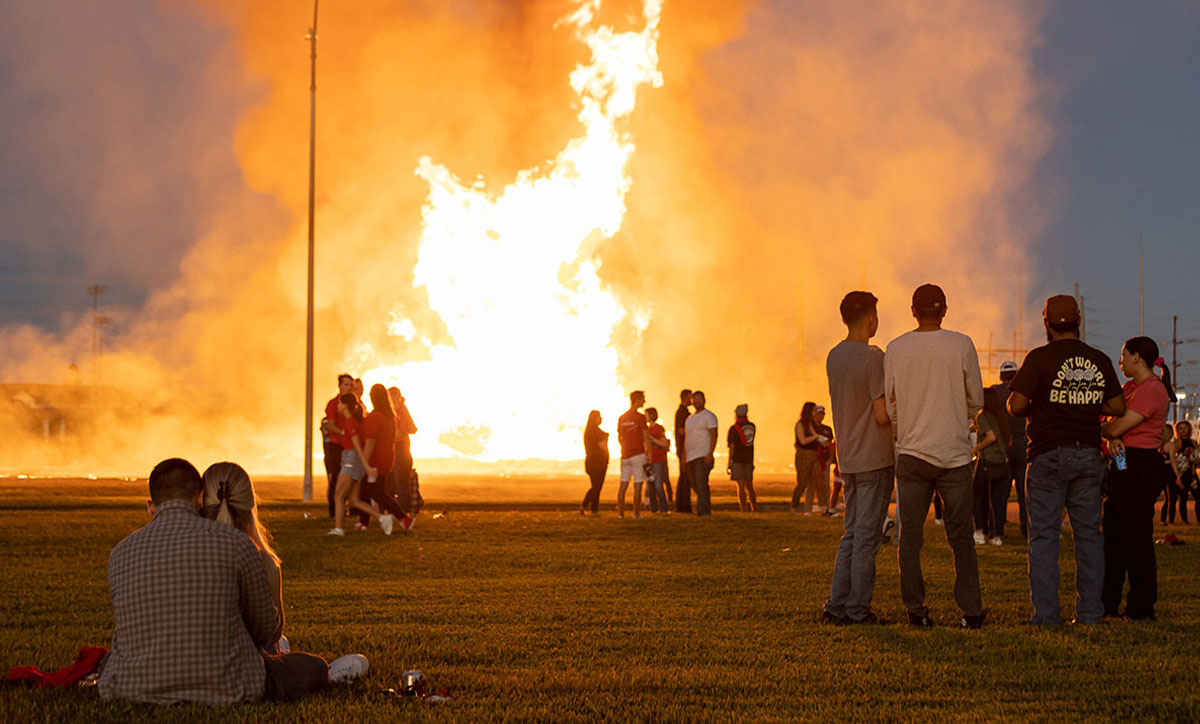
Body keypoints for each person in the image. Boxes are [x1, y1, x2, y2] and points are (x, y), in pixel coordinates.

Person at [99, 458, 367, 705]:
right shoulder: (238, 544)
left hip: (132, 687)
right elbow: (264, 631)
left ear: (151, 504)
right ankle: (329, 671)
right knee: (312, 666)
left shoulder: (120, 551)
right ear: (200, 498)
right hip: (228, 685)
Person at [1007, 295, 1125, 625]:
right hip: (1088, 455)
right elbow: (1117, 407)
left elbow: (1015, 406)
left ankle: (1045, 616)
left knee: (1044, 537)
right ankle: (1089, 614)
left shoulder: (1039, 358)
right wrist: (1086, 405)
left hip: (1047, 455)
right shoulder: (1098, 359)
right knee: (1089, 536)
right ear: (1079, 320)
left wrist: (1043, 404)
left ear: (1046, 323)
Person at [885, 283, 985, 628]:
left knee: (910, 537)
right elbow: (976, 399)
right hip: (954, 453)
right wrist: (959, 415)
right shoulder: (962, 344)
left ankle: (916, 610)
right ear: (944, 310)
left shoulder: (896, 348)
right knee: (961, 538)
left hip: (912, 452)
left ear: (913, 310)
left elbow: (889, 401)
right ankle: (971, 611)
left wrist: (906, 426)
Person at [822, 291, 895, 625]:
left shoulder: (833, 356)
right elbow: (881, 414)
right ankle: (857, 611)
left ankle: (836, 606)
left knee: (850, 534)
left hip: (847, 457)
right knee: (867, 538)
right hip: (874, 457)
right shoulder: (873, 357)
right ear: (870, 317)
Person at [1101, 336, 1175, 621]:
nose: (1120, 361)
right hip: (1123, 464)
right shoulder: (1130, 387)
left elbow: (1116, 425)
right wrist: (1109, 437)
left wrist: (1111, 433)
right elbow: (1104, 423)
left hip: (1140, 465)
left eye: (1123, 355)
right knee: (1113, 537)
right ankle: (1108, 604)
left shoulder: (1152, 389)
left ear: (1136, 358)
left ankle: (1141, 607)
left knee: (1136, 539)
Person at [201, 462, 286, 653]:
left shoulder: (181, 551)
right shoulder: (264, 562)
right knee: (313, 666)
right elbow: (273, 634)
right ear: (250, 506)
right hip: (247, 667)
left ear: (201, 500)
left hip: (190, 662)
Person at [350, 384, 413, 535]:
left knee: (377, 493)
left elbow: (370, 442)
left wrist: (363, 463)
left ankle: (403, 518)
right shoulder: (389, 416)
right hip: (386, 458)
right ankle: (363, 522)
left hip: (375, 461)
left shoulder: (375, 417)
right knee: (366, 491)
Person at [991, 360, 1030, 539]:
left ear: (1000, 376)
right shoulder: (1024, 392)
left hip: (1001, 449)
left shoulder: (993, 392)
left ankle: (997, 531)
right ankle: (1026, 530)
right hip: (1023, 446)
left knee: (1000, 493)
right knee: (1024, 493)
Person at [972, 389, 1011, 545]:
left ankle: (980, 532)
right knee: (997, 500)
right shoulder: (1000, 417)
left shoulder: (981, 416)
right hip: (1001, 462)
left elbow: (991, 437)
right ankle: (997, 536)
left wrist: (975, 448)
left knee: (975, 495)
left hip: (987, 460)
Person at [326, 394, 369, 536]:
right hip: (349, 458)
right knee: (354, 500)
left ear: (345, 406)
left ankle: (338, 528)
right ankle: (383, 518)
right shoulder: (350, 422)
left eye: (339, 404)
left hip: (350, 460)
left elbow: (357, 447)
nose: (337, 406)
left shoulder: (350, 423)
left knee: (338, 496)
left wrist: (366, 466)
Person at [321, 374, 354, 517]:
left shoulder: (355, 403)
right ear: (340, 386)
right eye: (346, 385)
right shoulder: (333, 404)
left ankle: (348, 507)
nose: (349, 388)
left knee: (349, 478)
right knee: (335, 478)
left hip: (348, 445)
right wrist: (344, 432)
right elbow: (331, 425)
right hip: (336, 445)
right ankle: (334, 511)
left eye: (350, 385)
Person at [616, 391, 651, 519]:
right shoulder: (640, 418)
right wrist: (649, 454)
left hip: (625, 455)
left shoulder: (622, 418)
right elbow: (646, 437)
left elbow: (620, 437)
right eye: (643, 399)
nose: (644, 402)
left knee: (623, 485)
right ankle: (636, 513)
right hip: (638, 454)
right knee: (638, 485)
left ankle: (620, 513)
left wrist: (624, 448)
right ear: (638, 400)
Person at [791, 402, 830, 514]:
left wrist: (823, 442)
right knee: (802, 482)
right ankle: (793, 507)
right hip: (804, 455)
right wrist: (816, 437)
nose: (815, 412)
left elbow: (818, 439)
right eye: (813, 410)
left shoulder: (810, 424)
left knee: (820, 480)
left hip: (815, 454)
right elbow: (802, 440)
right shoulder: (800, 424)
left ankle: (824, 508)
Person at [684, 391, 718, 515]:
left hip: (702, 455)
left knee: (701, 482)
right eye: (695, 399)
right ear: (692, 401)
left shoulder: (709, 416)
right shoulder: (689, 419)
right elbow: (687, 438)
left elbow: (714, 435)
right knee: (694, 484)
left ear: (704, 400)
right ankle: (704, 506)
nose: (697, 401)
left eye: (699, 399)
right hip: (690, 457)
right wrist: (684, 457)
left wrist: (710, 453)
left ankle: (703, 511)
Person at [387, 386, 418, 502]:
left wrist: (401, 432)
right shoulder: (392, 411)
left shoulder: (401, 410)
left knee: (400, 482)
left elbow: (412, 429)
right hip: (397, 448)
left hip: (401, 448)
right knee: (394, 483)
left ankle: (403, 512)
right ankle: (398, 511)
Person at [1164, 420, 1196, 523]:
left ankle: (1186, 520)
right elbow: (1172, 458)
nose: (1183, 431)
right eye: (1180, 428)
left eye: (1185, 428)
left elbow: (1195, 458)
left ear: (1189, 429)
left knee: (1184, 499)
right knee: (1172, 500)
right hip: (1176, 474)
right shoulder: (1176, 443)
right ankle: (1170, 521)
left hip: (1188, 475)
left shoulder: (1193, 443)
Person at [727, 403, 757, 512]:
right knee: (749, 485)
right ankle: (754, 508)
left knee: (740, 486)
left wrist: (730, 462)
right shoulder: (752, 426)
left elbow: (732, 446)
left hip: (738, 460)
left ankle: (743, 509)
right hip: (749, 459)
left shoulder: (734, 429)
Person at [580, 410, 609, 515]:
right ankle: (592, 509)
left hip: (589, 462)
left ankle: (588, 507)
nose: (601, 419)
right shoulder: (598, 433)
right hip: (599, 463)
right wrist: (606, 438)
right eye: (599, 417)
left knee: (595, 486)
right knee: (597, 487)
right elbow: (602, 446)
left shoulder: (587, 432)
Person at [646, 407, 671, 514]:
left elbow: (664, 443)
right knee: (650, 485)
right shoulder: (645, 429)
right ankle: (653, 509)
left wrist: (652, 439)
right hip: (647, 461)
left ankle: (664, 509)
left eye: (646, 414)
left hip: (658, 460)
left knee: (658, 485)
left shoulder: (658, 429)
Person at [813, 405, 837, 517]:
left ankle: (826, 507)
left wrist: (830, 460)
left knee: (825, 485)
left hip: (825, 460)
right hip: (813, 460)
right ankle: (812, 507)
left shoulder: (827, 429)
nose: (820, 416)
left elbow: (830, 446)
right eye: (818, 413)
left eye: (822, 414)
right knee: (813, 484)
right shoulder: (810, 427)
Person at [674, 389, 693, 513]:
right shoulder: (683, 413)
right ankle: (684, 506)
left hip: (682, 448)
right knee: (686, 477)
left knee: (684, 477)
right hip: (684, 449)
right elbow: (682, 431)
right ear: (685, 397)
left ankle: (681, 505)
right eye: (690, 397)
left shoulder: (683, 412)